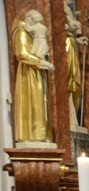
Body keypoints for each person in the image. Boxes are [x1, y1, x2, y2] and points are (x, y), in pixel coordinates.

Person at [11, 10, 54, 143]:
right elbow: (22, 53)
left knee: (41, 100)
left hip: (37, 70)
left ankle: (42, 135)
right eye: (36, 22)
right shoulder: (21, 31)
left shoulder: (31, 31)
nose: (38, 25)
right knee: (32, 101)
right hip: (28, 72)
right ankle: (32, 135)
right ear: (28, 19)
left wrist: (44, 57)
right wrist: (40, 62)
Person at [64, 0, 88, 125]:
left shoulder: (68, 9)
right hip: (67, 46)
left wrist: (77, 40)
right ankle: (68, 116)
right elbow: (57, 27)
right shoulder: (61, 7)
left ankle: (73, 116)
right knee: (69, 80)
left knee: (76, 84)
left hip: (72, 43)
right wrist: (71, 27)